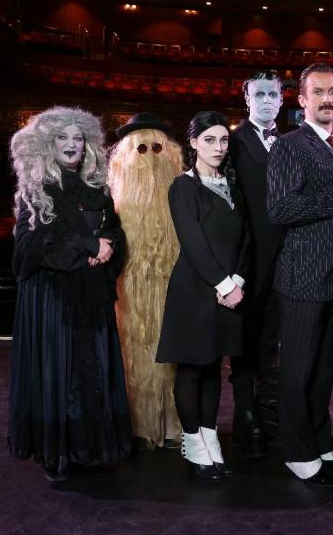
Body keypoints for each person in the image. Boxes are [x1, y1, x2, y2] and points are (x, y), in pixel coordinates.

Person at [7, 106, 132, 482]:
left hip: (92, 296)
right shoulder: (36, 191)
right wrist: (88, 245)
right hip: (54, 300)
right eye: (62, 137)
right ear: (48, 144)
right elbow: (29, 247)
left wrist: (107, 245)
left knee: (92, 371)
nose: (71, 144)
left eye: (78, 138)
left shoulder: (98, 188)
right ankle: (57, 452)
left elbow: (115, 232)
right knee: (59, 373)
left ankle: (90, 448)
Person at [267, 63, 333, 488]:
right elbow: (280, 210)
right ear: (302, 100)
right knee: (298, 370)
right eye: (318, 92)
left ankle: (320, 444)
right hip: (304, 277)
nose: (327, 99)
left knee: (323, 371)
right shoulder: (289, 146)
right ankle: (297, 452)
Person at [156, 111, 251, 483]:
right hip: (195, 291)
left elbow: (247, 240)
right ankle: (194, 447)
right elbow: (193, 243)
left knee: (213, 367)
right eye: (209, 139)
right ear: (193, 143)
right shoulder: (182, 187)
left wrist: (238, 280)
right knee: (193, 368)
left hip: (230, 291)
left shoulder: (233, 185)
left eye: (223, 140)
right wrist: (225, 285)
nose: (218, 147)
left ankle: (212, 445)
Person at [108, 112, 184, 451]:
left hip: (173, 291)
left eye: (157, 148)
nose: (150, 158)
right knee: (135, 354)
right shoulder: (114, 202)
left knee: (172, 357)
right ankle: (139, 426)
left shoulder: (182, 197)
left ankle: (174, 425)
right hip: (130, 295)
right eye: (141, 149)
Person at [227, 70, 286, 457]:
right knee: (245, 341)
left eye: (272, 94)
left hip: (286, 256)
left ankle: (271, 416)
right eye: (259, 94)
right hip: (248, 257)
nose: (266, 100)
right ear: (247, 99)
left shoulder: (292, 142)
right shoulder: (232, 143)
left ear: (282, 100)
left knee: (273, 341)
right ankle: (245, 420)